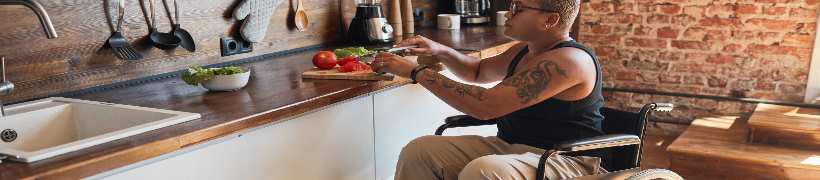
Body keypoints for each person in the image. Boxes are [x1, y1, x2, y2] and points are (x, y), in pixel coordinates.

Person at [371, 0, 607, 179]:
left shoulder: (569, 61)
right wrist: (438, 50)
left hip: (564, 160)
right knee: (419, 152)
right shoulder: (526, 49)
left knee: (483, 171)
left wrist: (416, 72)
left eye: (519, 7)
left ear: (550, 20)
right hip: (511, 147)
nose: (508, 12)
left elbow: (486, 106)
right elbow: (478, 71)